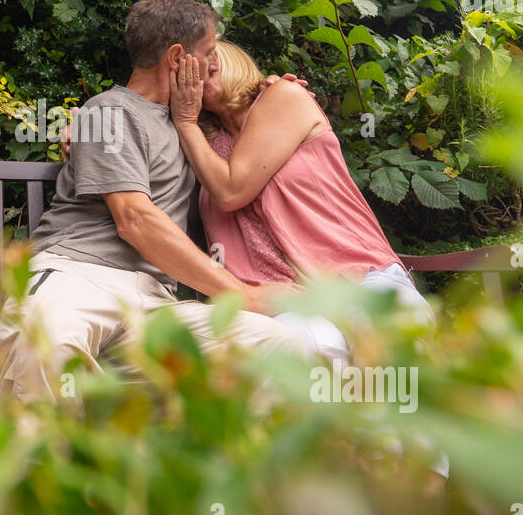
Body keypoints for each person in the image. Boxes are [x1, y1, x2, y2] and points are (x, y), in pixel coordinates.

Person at [0, 0, 322, 402]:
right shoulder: (109, 113)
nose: (215, 63)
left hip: (153, 302)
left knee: (279, 347)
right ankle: (42, 464)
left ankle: (229, 465)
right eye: (209, 52)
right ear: (178, 58)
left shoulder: (193, 127)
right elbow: (135, 220)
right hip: (78, 275)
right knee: (45, 344)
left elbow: (252, 138)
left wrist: (269, 92)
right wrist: (242, 294)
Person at [168, 39, 447, 482]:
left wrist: (184, 122)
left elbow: (233, 189)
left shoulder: (283, 97)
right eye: (188, 68)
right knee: (290, 360)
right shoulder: (209, 146)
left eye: (210, 53)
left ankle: (415, 501)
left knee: (390, 352)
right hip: (283, 299)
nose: (201, 67)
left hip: (359, 277)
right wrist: (90, 135)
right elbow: (134, 133)